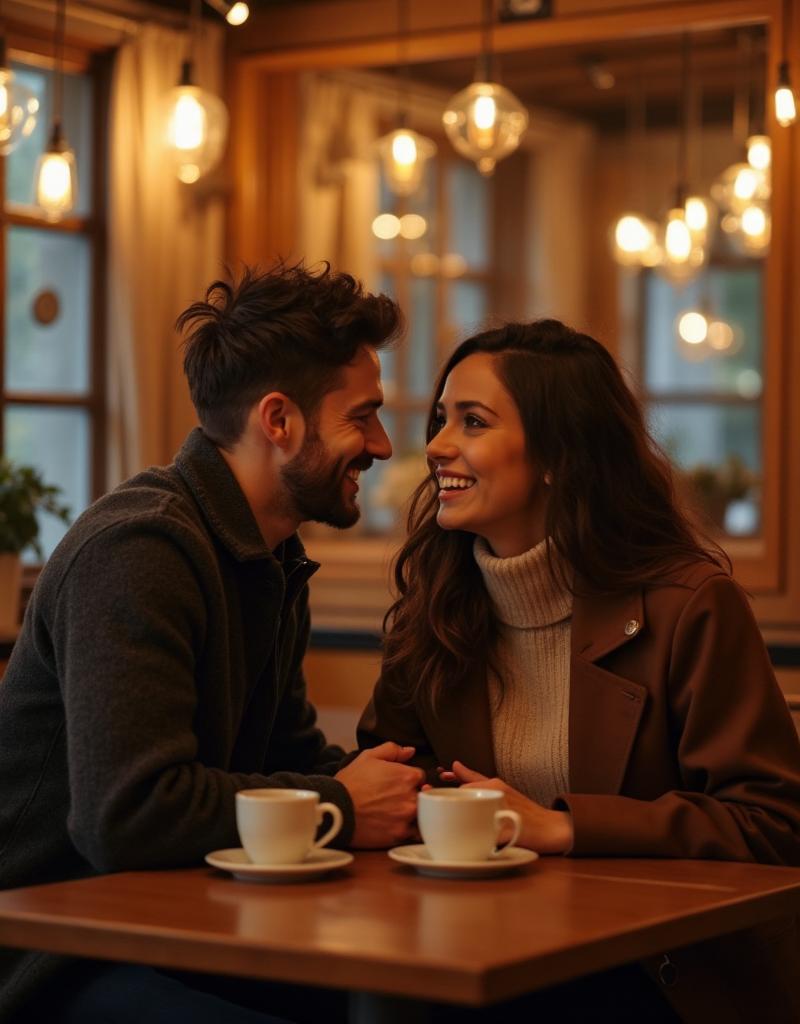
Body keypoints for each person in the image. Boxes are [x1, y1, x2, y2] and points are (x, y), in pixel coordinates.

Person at [0, 262, 425, 1024]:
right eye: (362, 416)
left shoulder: (269, 555)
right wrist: (342, 806)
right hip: (44, 958)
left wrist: (421, 797)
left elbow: (285, 760)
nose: (384, 446)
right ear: (278, 420)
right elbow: (127, 814)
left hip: (171, 926)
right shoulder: (140, 550)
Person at [358, 319, 800, 1023]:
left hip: (655, 978)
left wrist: (564, 829)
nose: (436, 445)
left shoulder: (690, 606)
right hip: (469, 948)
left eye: (472, 421)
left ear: (558, 455)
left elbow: (775, 821)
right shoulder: (433, 607)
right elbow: (395, 782)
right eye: (442, 419)